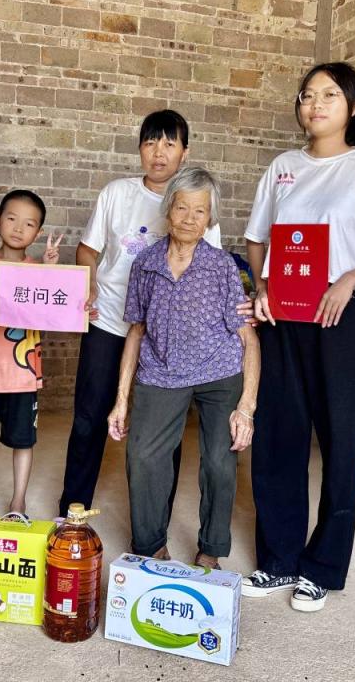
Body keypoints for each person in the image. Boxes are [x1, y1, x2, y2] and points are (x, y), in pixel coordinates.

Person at [242, 62, 355, 611]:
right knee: (278, 436)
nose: (315, 104)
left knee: (342, 439)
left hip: (340, 314)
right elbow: (258, 239)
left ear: (353, 108)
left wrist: (350, 279)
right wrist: (262, 286)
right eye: (308, 95)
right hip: (284, 315)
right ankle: (279, 559)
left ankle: (323, 567)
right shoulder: (283, 167)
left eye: (330, 95)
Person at [57, 110, 227, 518]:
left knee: (164, 431)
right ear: (139, 148)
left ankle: (156, 522)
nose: (159, 152)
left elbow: (213, 268)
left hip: (166, 336)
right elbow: (87, 250)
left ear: (185, 152)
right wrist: (90, 282)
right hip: (110, 319)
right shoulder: (117, 193)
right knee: (89, 417)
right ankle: (72, 511)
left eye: (169, 143)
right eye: (150, 142)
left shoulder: (196, 203)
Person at [108, 168, 259, 568]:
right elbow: (136, 332)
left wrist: (246, 408)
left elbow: (249, 339)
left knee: (220, 461)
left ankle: (211, 548)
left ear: (210, 218)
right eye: (182, 208)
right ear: (168, 209)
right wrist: (121, 401)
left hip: (218, 372)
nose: (190, 218)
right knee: (142, 455)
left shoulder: (222, 266)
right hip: (161, 372)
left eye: (200, 211)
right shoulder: (145, 264)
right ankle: (150, 545)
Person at [0, 190, 61, 522]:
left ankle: (18, 501)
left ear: (39, 232)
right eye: (12, 219)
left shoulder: (40, 272)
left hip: (23, 376)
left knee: (24, 441)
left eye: (29, 224)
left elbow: (54, 315)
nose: (19, 228)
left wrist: (50, 272)